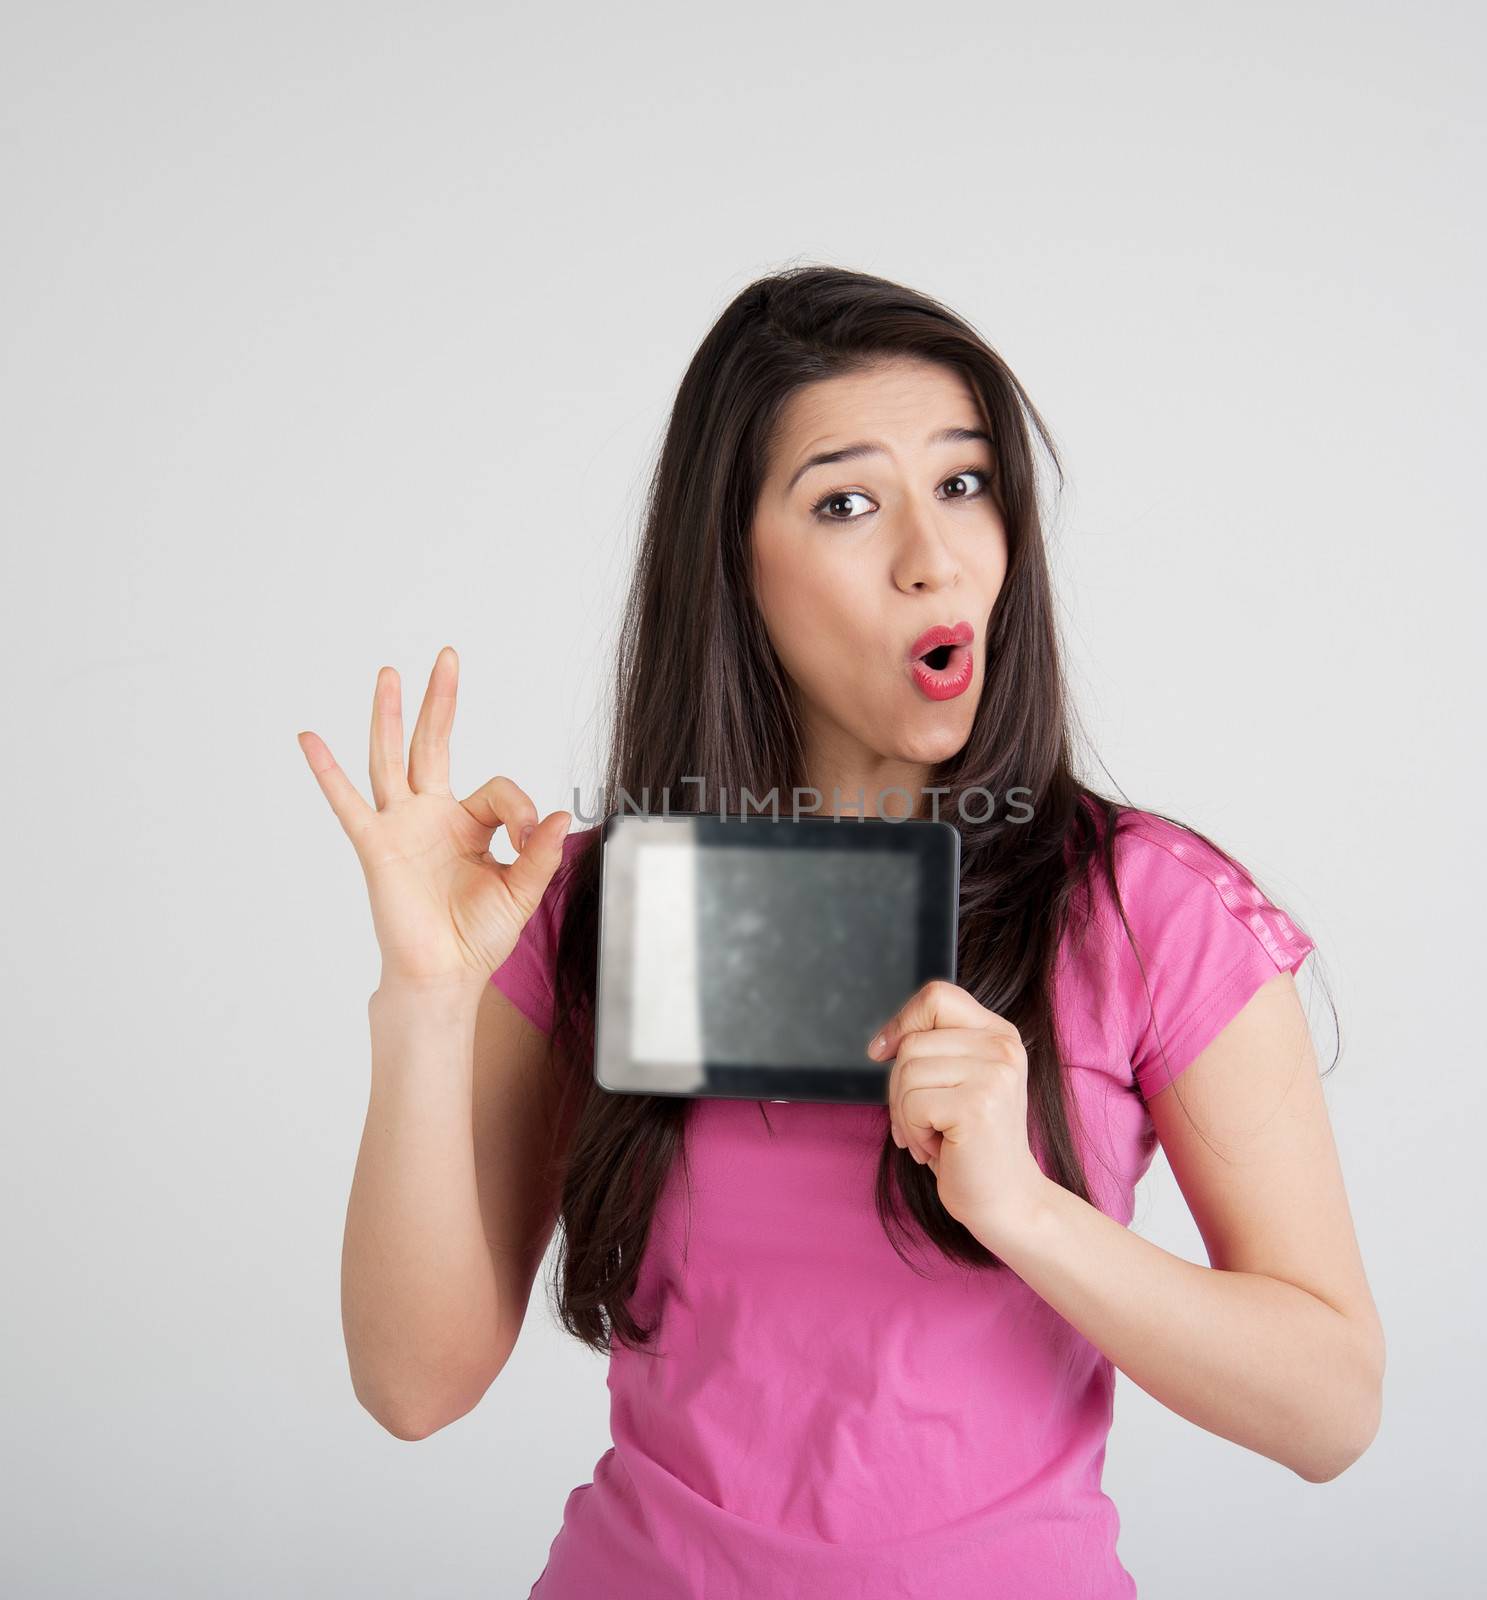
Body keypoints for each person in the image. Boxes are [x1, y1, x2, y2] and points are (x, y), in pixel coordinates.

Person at [301, 265, 1384, 1598]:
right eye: (847, 501)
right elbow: (414, 1387)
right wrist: (422, 999)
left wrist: (1024, 1211)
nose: (931, 554)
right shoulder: (587, 906)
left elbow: (1331, 1411)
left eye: (966, 483)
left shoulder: (1146, 909)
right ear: (737, 563)